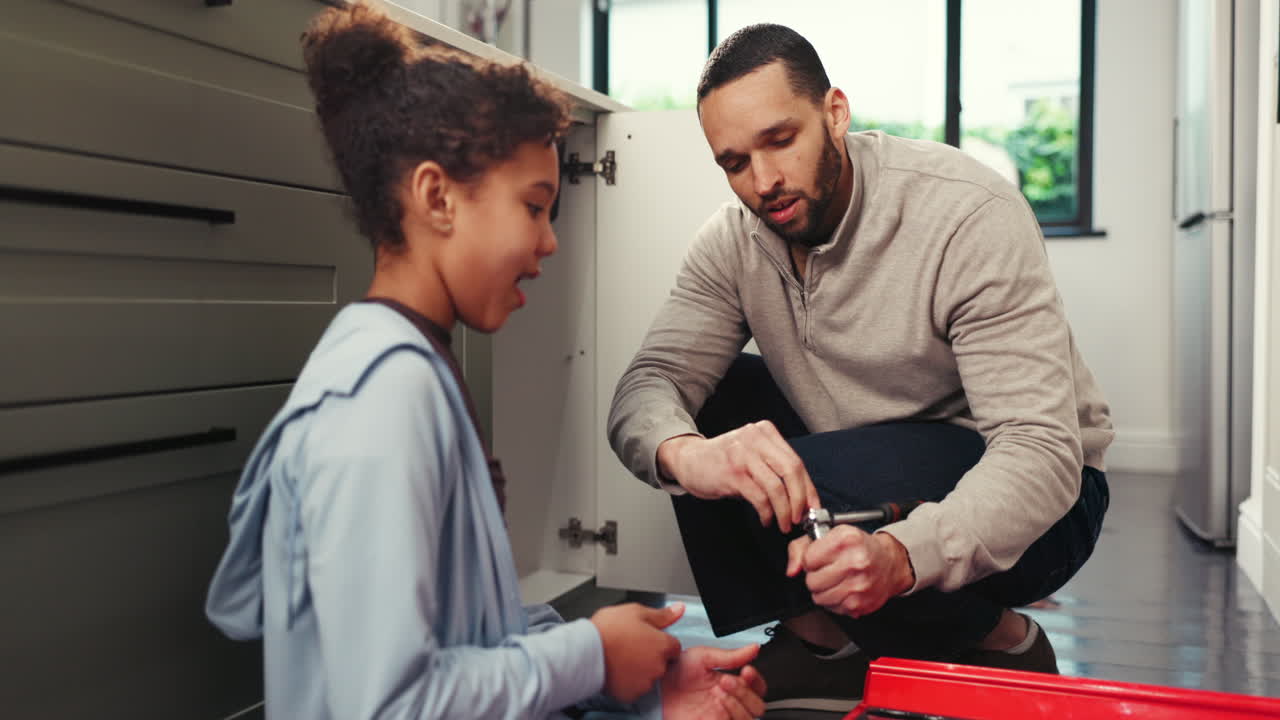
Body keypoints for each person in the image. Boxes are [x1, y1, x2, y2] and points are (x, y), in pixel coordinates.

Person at [204, 5, 767, 718]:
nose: (549, 243)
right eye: (534, 207)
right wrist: (591, 652)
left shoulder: (419, 366)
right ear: (437, 197)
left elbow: (480, 631)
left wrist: (647, 692)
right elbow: (388, 705)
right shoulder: (381, 402)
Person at [607, 23, 1113, 714]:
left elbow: (1042, 450)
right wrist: (688, 457)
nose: (763, 181)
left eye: (781, 140)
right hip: (860, 464)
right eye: (734, 161)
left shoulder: (966, 212)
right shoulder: (732, 242)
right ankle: (825, 647)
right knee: (710, 407)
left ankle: (1000, 639)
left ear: (835, 112)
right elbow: (647, 385)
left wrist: (904, 556)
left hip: (1048, 504)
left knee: (826, 484)